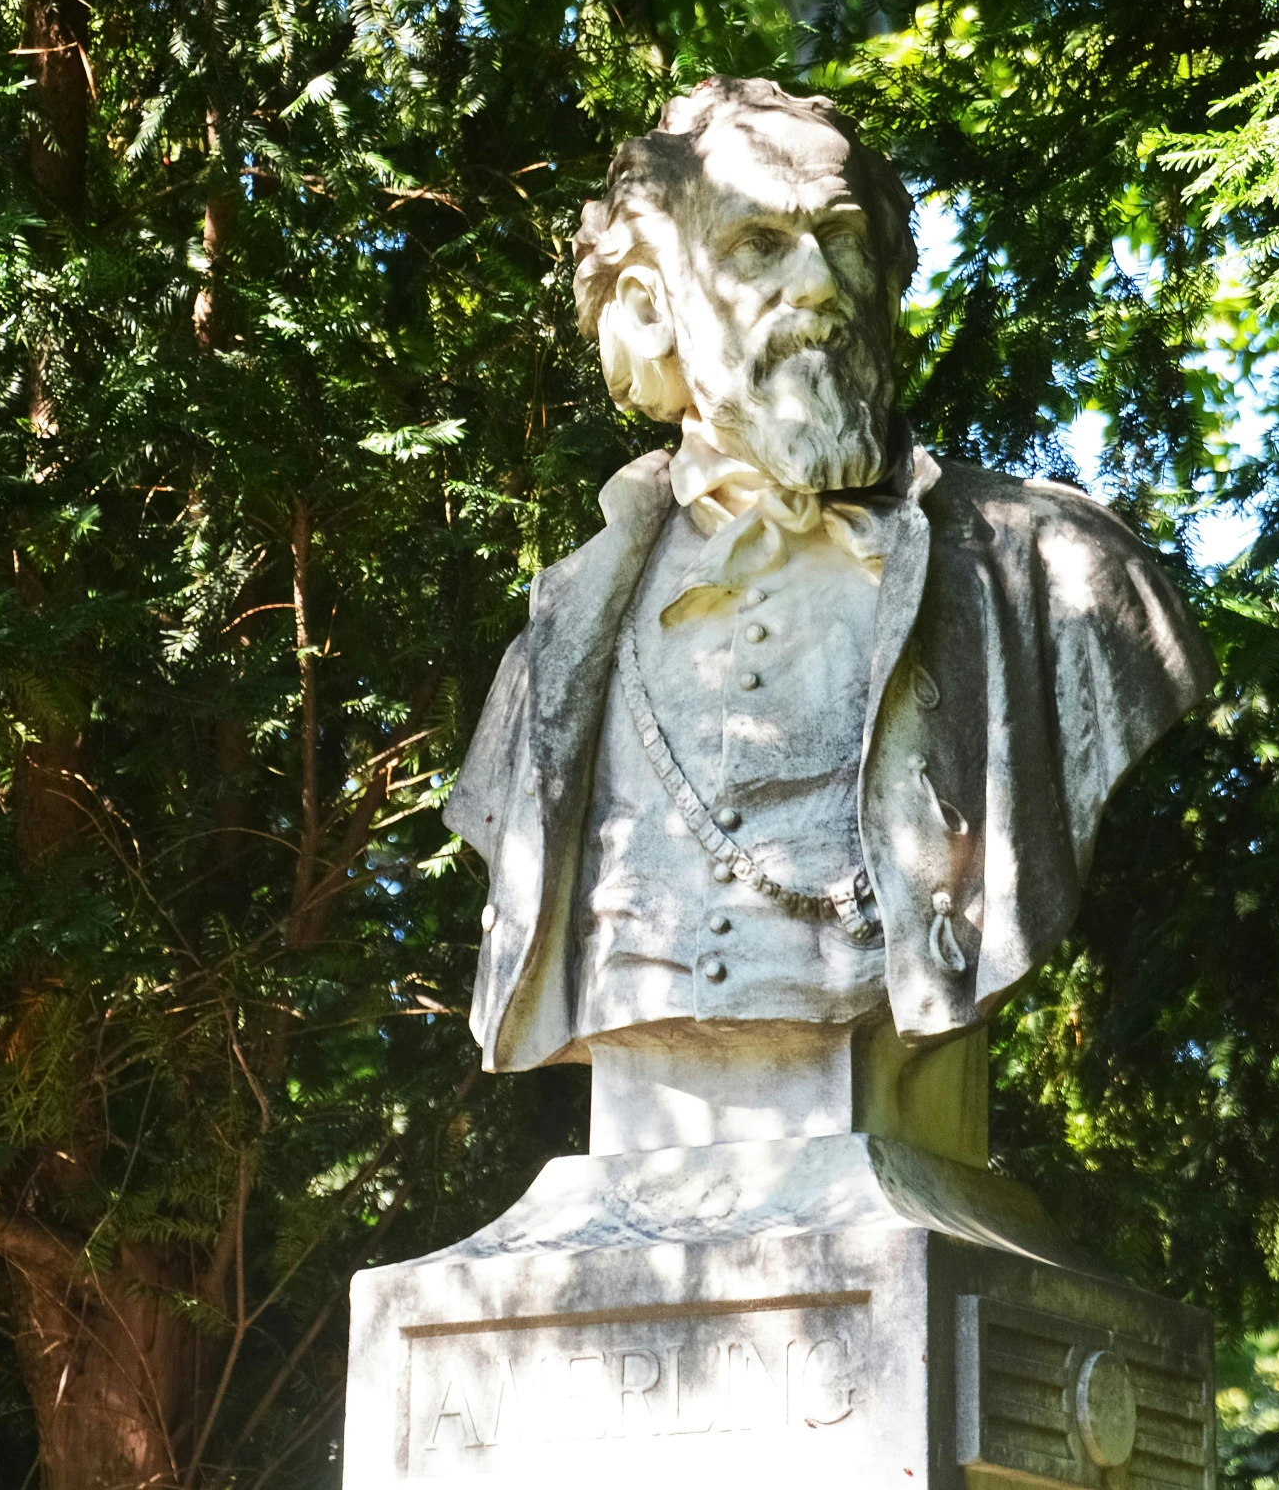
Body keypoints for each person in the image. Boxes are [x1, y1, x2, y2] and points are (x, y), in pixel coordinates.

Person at [444, 78, 1213, 1152]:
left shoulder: (1052, 573)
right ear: (652, 301)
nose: (817, 285)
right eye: (759, 244)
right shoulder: (558, 639)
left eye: (842, 239)